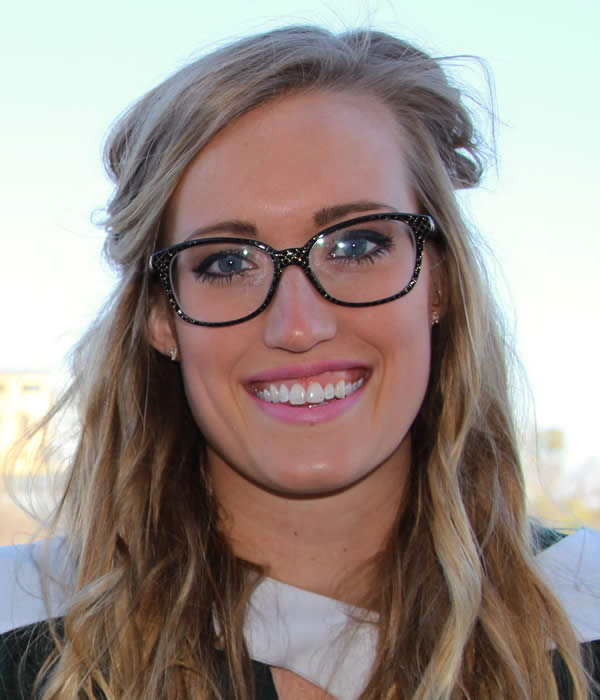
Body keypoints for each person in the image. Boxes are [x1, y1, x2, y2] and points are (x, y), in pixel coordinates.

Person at [1, 25, 599, 700]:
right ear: (162, 317)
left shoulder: (583, 613)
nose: (298, 325)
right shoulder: (23, 633)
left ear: (438, 281)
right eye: (228, 262)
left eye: (356, 245)